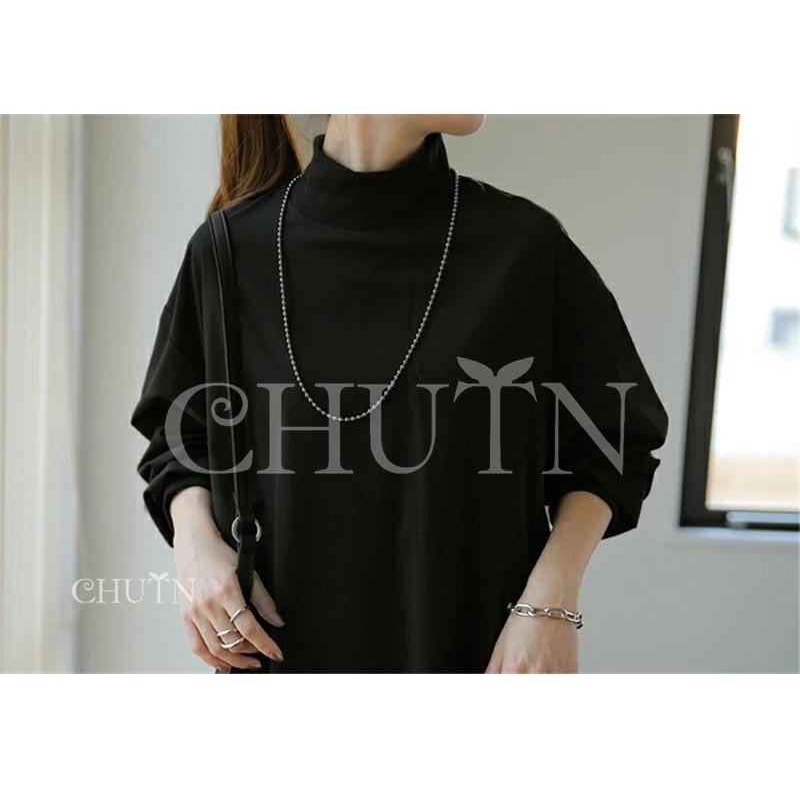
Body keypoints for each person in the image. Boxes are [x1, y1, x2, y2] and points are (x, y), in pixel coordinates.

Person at [130, 114, 668, 673]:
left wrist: (550, 601)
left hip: (476, 660)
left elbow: (616, 440)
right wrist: (194, 549)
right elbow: (178, 436)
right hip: (280, 659)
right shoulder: (230, 251)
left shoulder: (523, 249)